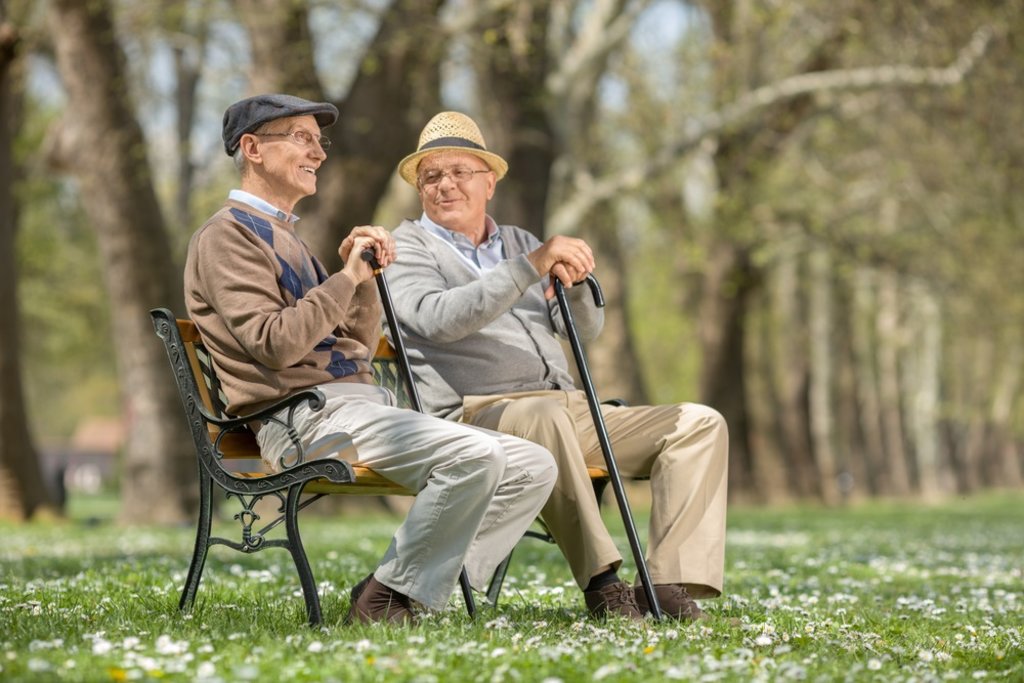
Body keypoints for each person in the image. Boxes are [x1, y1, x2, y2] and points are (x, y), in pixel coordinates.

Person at [183, 95, 557, 624]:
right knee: (475, 456)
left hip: (351, 409)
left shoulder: (288, 237)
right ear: (252, 149)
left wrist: (364, 283)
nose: (317, 151)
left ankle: (399, 591)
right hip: (301, 419)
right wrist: (346, 279)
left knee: (534, 464)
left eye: (319, 140)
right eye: (301, 137)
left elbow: (352, 345)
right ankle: (387, 601)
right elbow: (274, 344)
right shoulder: (227, 237)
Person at [385, 111, 729, 622]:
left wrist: (578, 285)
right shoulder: (408, 246)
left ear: (489, 181)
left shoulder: (520, 241)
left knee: (700, 423)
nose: (444, 185)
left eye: (459, 172)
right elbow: (437, 320)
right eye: (431, 176)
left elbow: (580, 333)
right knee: (544, 422)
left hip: (570, 408)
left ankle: (668, 586)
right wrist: (529, 267)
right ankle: (603, 584)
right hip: (478, 416)